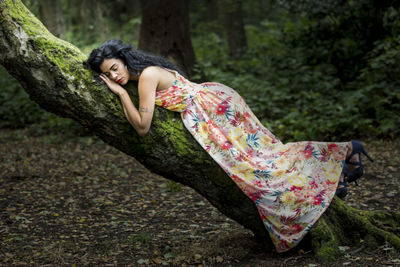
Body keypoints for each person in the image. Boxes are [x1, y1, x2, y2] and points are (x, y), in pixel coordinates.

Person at [85, 39, 373, 252]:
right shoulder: (148, 70)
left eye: (114, 69)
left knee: (260, 166)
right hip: (216, 102)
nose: (113, 76)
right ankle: (343, 165)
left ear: (123, 59)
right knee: (268, 156)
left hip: (213, 114)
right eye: (108, 75)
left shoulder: (145, 76)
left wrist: (121, 94)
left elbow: (142, 127)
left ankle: (341, 158)